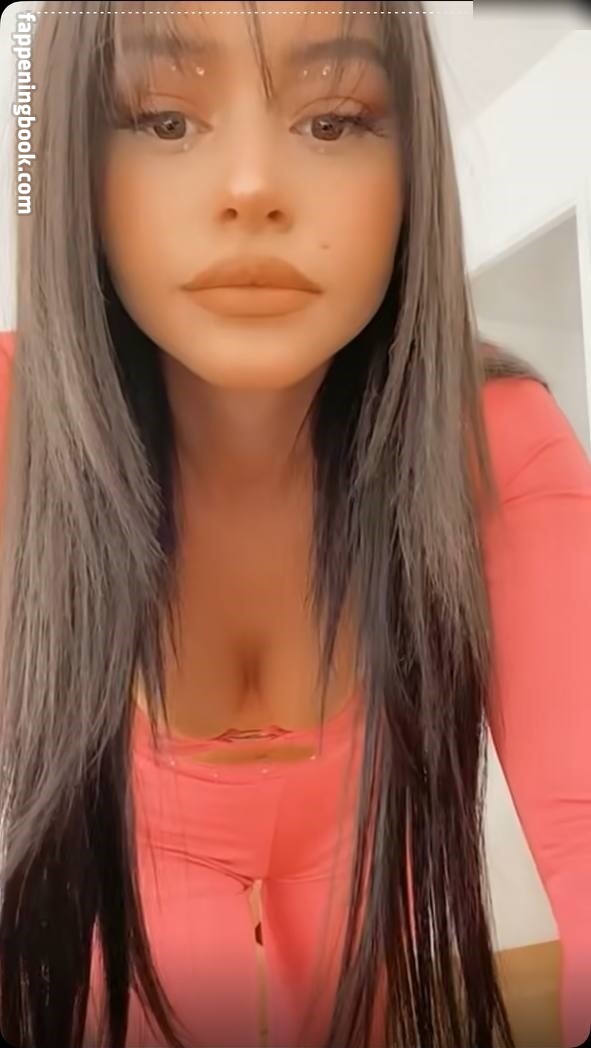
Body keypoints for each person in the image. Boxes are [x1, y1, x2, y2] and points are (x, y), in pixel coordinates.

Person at [0, 2, 590, 1047]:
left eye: (333, 119)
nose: (252, 187)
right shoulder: (14, 430)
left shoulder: (495, 445)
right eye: (164, 120)